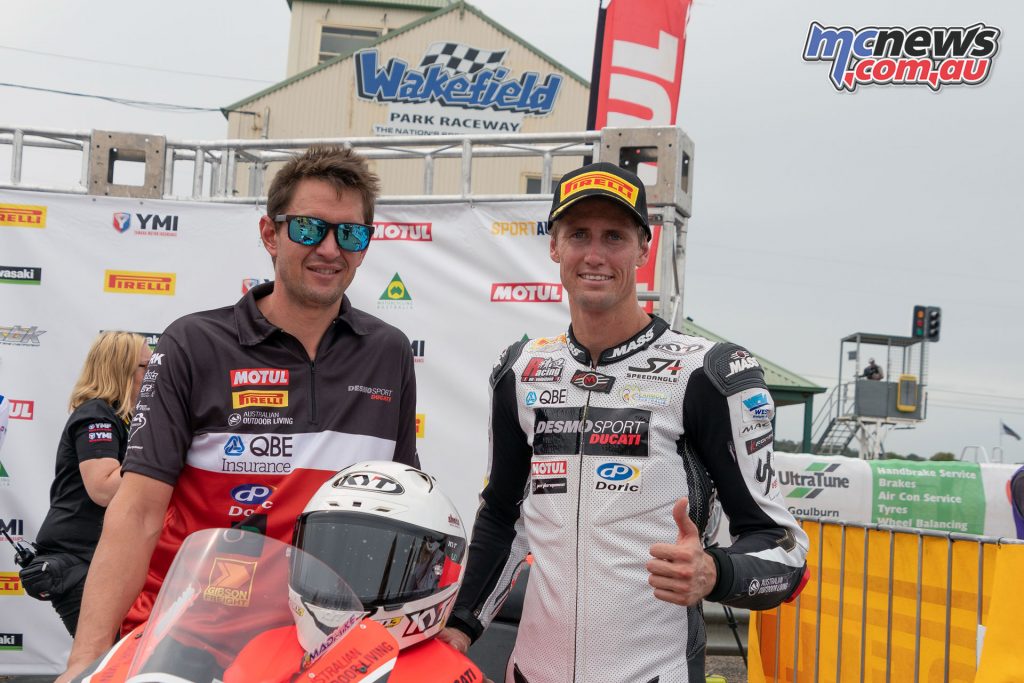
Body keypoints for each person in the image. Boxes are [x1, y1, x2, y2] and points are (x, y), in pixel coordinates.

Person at [57, 146, 419, 683]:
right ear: (271, 235)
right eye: (308, 228)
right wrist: (84, 661)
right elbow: (136, 513)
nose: (329, 248)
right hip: (187, 641)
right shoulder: (194, 343)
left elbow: (396, 508)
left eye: (350, 234)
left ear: (365, 247)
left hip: (323, 648)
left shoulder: (387, 351)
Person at [439, 162, 809, 683]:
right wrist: (461, 626)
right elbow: (503, 517)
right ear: (554, 247)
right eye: (578, 235)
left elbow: (784, 549)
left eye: (613, 236)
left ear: (644, 248)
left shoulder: (706, 373)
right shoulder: (522, 370)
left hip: (653, 673)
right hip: (530, 671)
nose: (594, 255)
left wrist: (714, 573)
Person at [22, 332, 150, 635]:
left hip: (102, 558)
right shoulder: (97, 414)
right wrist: (156, 460)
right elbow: (104, 487)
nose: (153, 374)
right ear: (123, 369)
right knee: (100, 662)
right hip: (78, 560)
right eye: (147, 366)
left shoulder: (127, 419)